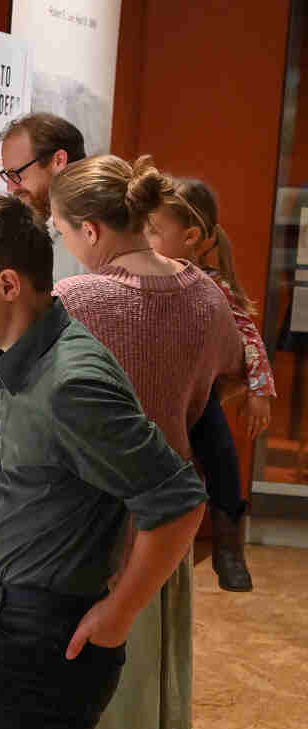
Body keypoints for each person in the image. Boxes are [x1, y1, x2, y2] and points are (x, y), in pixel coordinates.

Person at [0, 193, 208, 729]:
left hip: (48, 633)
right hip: (11, 618)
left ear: (8, 284)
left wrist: (119, 613)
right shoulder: (28, 360)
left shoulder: (69, 381)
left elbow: (178, 500)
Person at [51, 156, 246, 729]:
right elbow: (219, 375)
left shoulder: (77, 300)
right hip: (165, 528)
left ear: (91, 230)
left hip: (88, 531)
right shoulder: (205, 293)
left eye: (60, 231)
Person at [146, 177, 275, 590]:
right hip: (149, 394)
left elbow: (248, 336)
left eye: (154, 231)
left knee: (221, 454)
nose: (145, 238)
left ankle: (228, 547)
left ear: (191, 237)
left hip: (196, 397)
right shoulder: (139, 275)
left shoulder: (212, 286)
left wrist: (258, 391)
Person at [0, 112, 87, 283]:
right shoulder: (46, 227)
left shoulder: (89, 235)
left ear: (58, 161)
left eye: (16, 174)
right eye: (7, 175)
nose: (10, 188)